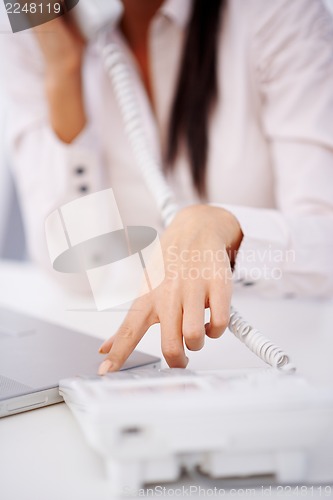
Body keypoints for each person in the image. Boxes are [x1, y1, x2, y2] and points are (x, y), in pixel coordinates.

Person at [1, 0, 333, 374]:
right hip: (138, 363)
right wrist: (63, 70)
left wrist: (228, 229)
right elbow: (74, 275)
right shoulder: (33, 33)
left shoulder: (279, 12)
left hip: (280, 354)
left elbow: (325, 249)